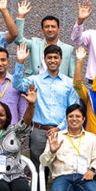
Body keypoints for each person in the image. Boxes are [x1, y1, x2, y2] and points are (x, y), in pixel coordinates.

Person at [13, 43, 80, 172]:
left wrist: (59, 128)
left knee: (61, 169)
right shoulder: (35, 80)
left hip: (61, 132)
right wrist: (20, 62)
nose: (52, 60)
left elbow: (73, 110)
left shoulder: (69, 83)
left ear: (61, 59)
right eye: (49, 57)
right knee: (38, 170)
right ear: (44, 59)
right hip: (39, 131)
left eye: (56, 57)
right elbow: (16, 84)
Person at [14, 2, 76, 77]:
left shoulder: (68, 49)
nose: (50, 29)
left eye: (53, 26)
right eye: (47, 27)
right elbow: (18, 40)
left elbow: (72, 75)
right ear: (42, 30)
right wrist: (21, 16)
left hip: (59, 86)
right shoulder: (34, 44)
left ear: (58, 29)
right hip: (36, 86)